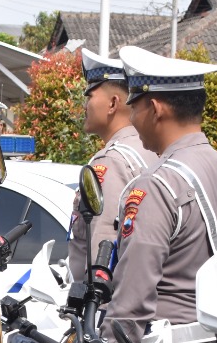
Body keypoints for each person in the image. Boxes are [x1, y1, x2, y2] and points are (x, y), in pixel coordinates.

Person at [102, 46, 217, 343]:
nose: (131, 116)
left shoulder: (155, 185)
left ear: (155, 109)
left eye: (135, 106)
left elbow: (133, 300)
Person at [68, 51, 158, 281]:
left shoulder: (112, 161)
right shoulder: (148, 149)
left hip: (104, 308)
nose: (85, 104)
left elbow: (102, 250)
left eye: (90, 96)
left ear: (113, 103)